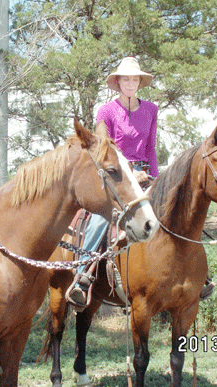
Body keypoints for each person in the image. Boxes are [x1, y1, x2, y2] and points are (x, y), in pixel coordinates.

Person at [67, 56, 159, 308]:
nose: (130, 83)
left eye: (135, 79)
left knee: (172, 212)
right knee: (100, 218)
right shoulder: (106, 111)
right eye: (125, 79)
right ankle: (82, 275)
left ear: (140, 82)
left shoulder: (151, 110)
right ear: (117, 82)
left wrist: (156, 179)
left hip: (145, 174)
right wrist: (130, 172)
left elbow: (151, 149)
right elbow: (102, 149)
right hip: (117, 174)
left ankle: (189, 276)